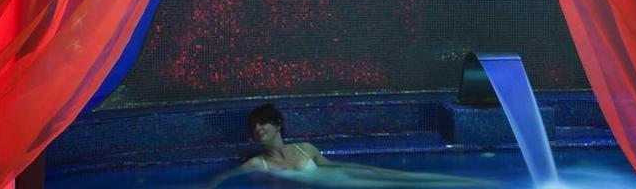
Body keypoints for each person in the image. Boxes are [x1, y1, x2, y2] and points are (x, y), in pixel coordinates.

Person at [207, 103, 496, 187]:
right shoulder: (259, 164)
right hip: (335, 184)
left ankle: (466, 181)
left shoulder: (304, 149)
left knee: (393, 176)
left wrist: (355, 166)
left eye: (262, 124)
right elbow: (225, 177)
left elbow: (330, 165)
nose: (258, 130)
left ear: (277, 124)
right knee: (393, 186)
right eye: (254, 127)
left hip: (339, 173)